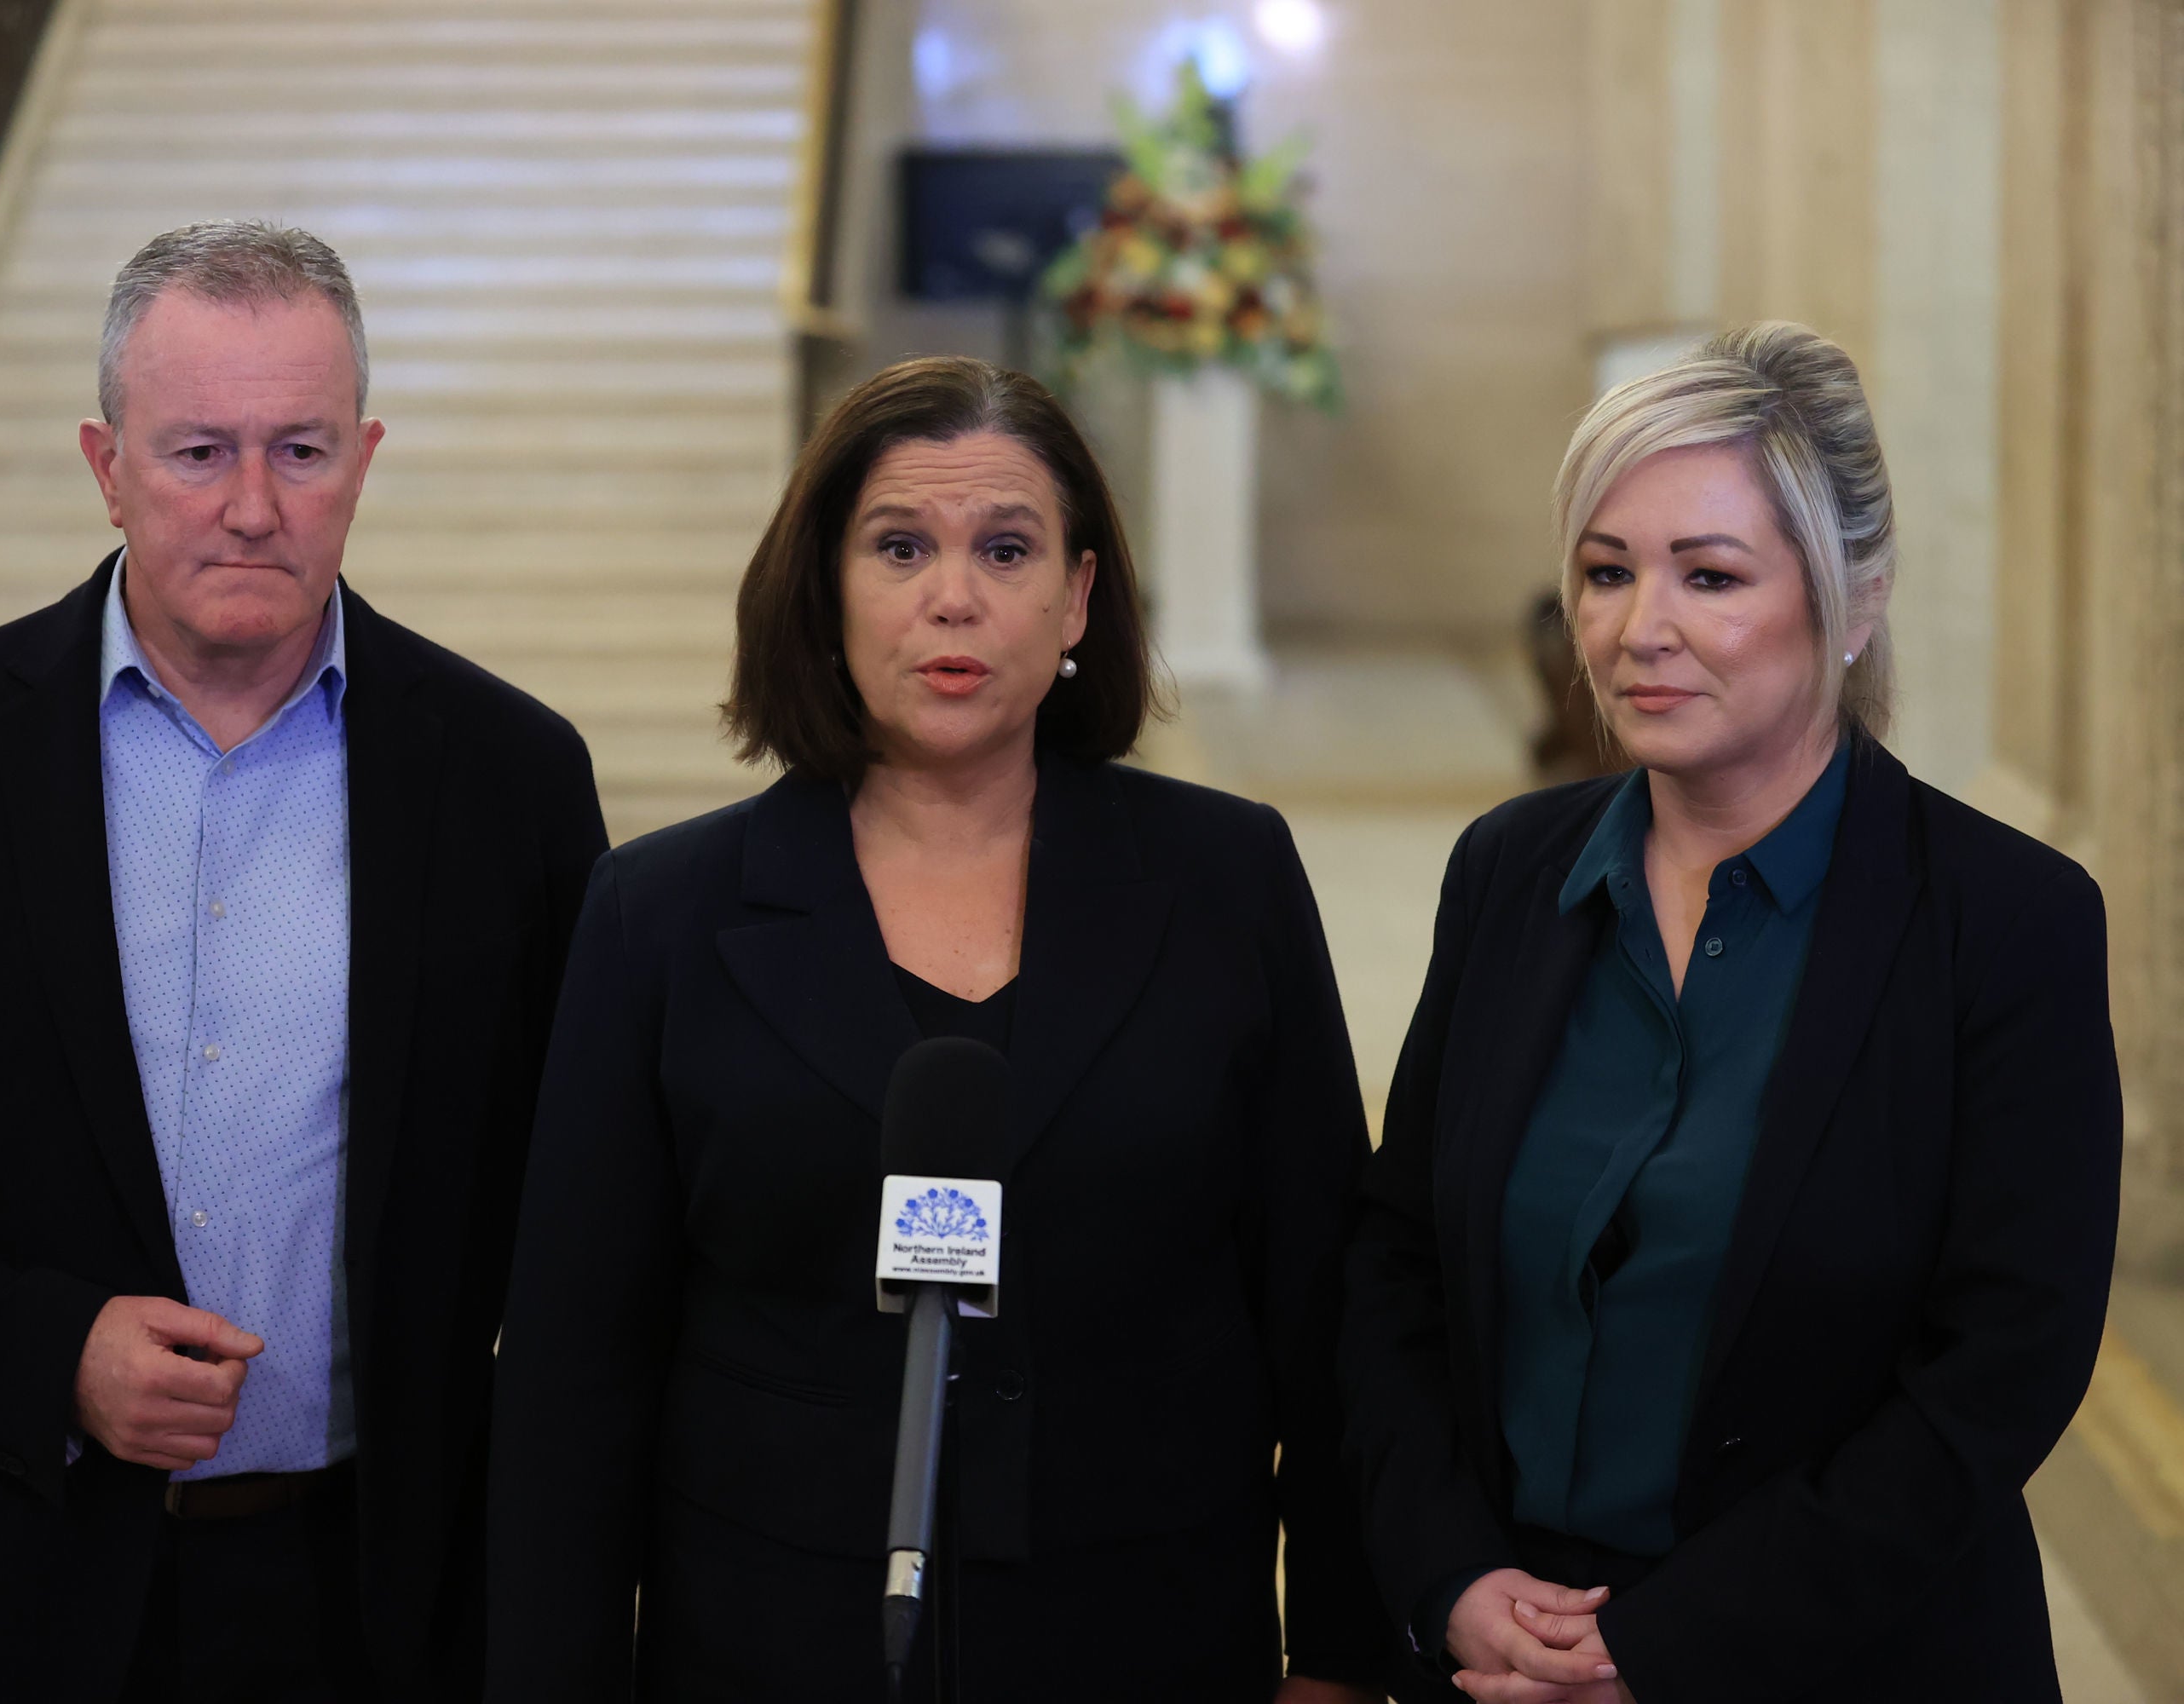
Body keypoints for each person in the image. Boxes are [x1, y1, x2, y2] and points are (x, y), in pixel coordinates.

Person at [0, 221, 607, 1701]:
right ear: (104, 463)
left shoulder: (508, 775)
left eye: (302, 451)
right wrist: (43, 1349)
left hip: (390, 1603)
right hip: (22, 1582)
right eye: (198, 452)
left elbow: (590, 1197)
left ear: (365, 460)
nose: (255, 507)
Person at [483, 355, 1392, 1701]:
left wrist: (1337, 1654)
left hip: (1145, 1627)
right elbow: (575, 1373)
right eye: (900, 545)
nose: (952, 596)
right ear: (826, 589)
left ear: (1077, 594)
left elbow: (1322, 1305)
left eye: (1006, 548)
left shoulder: (1227, 879)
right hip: (772, 1640)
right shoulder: (660, 915)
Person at [1340, 322, 2123, 1704]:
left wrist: (1671, 1648)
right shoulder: (1512, 873)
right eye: (1605, 572)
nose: (1640, 631)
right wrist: (1450, 1575)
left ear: (1853, 602)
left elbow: (2000, 1370)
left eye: (1710, 576)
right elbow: (1397, 1261)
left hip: (1840, 1659)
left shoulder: (2005, 923)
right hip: (1499, 1657)